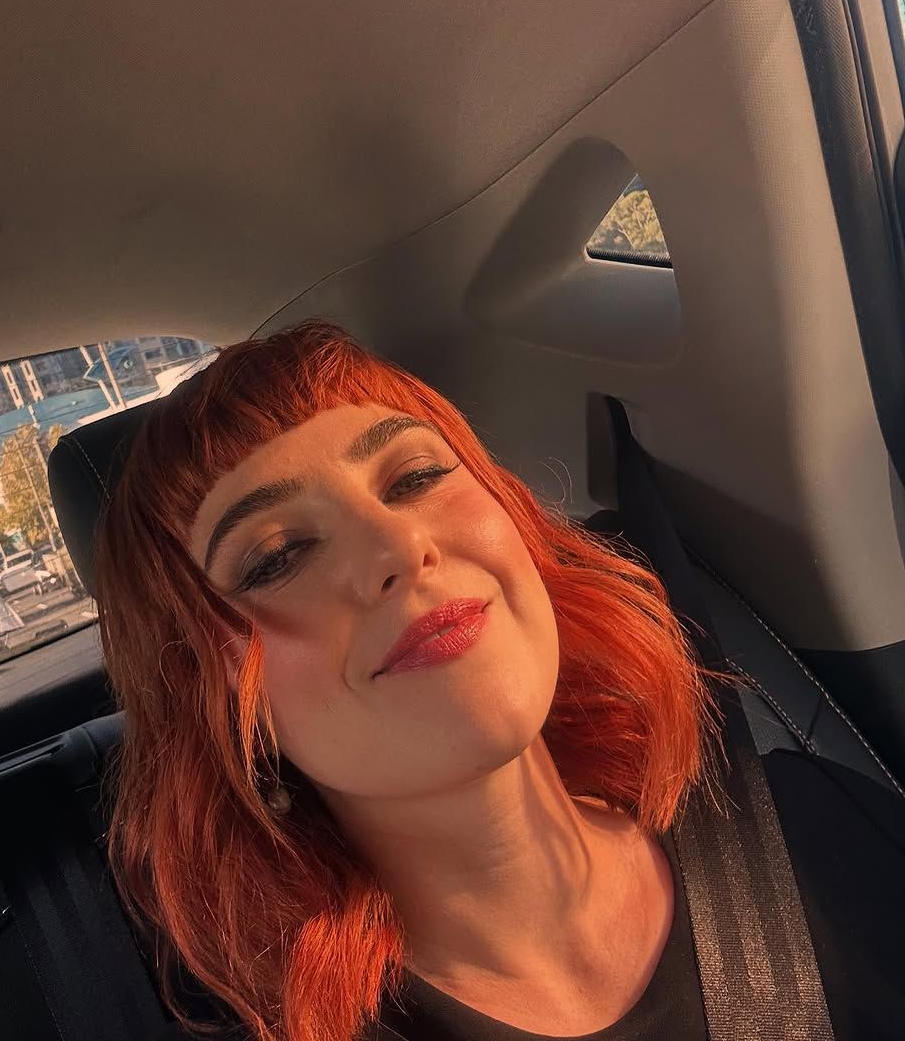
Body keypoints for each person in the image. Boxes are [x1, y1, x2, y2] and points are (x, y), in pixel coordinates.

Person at [94, 321, 905, 1041]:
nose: (399, 546)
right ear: (213, 699)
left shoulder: (820, 827)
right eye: (277, 557)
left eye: (414, 478)